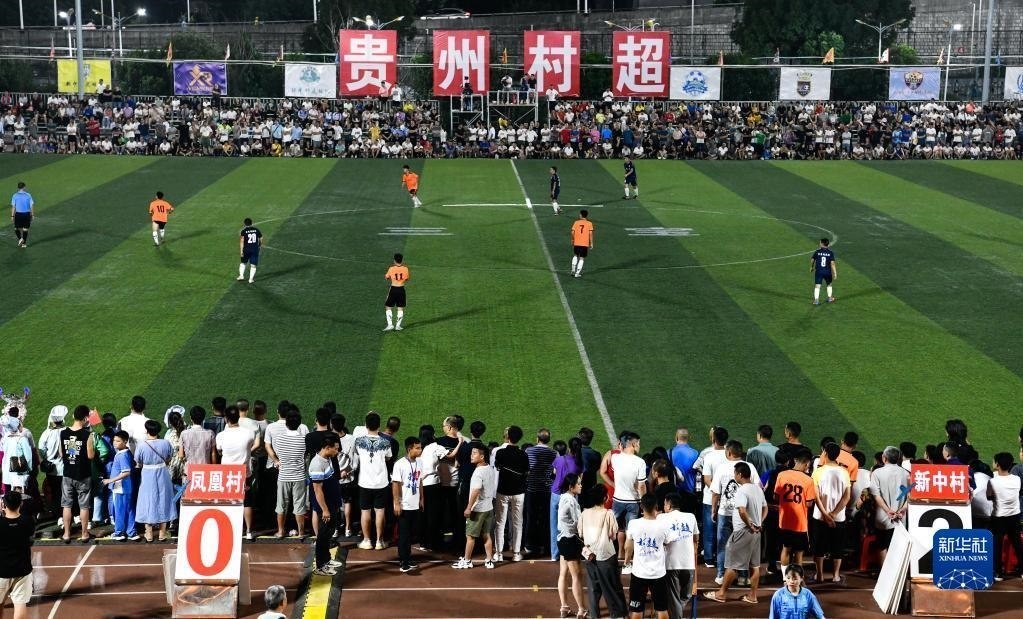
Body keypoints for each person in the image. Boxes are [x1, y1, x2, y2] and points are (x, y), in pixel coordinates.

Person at [705, 462, 767, 604]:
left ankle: (721, 594)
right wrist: (759, 523)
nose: (734, 476)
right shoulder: (758, 489)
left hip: (742, 532)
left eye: (735, 474)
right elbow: (765, 508)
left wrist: (749, 524)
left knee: (732, 565)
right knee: (755, 566)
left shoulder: (742, 491)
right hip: (756, 533)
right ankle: (752, 596)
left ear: (739, 474)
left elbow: (742, 510)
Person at [580, 485, 627, 619]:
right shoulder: (608, 513)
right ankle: (617, 614)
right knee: (612, 587)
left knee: (593, 588)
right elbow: (613, 535)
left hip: (590, 555)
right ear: (605, 498)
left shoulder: (584, 513)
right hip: (606, 556)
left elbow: (580, 533)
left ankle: (594, 614)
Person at [626, 494, 672, 619]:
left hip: (638, 574)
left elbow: (628, 547)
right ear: (656, 507)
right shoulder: (663, 525)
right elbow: (668, 541)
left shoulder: (633, 524)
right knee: (662, 610)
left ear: (641, 507)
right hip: (658, 574)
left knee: (637, 611)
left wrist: (626, 561)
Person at [811, 443, 851, 584]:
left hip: (819, 516)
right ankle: (836, 576)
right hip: (838, 517)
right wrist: (833, 514)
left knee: (819, 547)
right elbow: (847, 497)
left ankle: (820, 575)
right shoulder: (844, 472)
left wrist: (825, 514)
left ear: (826, 453)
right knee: (837, 547)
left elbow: (816, 497)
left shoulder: (818, 472)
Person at [452, 444, 497, 569]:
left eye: (474, 453)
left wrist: (468, 507)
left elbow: (476, 490)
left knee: (470, 536)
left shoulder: (478, 472)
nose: (471, 456)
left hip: (478, 509)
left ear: (482, 456)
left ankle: (467, 561)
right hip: (489, 507)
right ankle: (489, 560)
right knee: (486, 534)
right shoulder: (489, 468)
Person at [216, 406, 257, 539]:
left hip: (227, 473)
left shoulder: (221, 436)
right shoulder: (249, 433)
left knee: (228, 502)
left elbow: (219, 451)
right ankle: (249, 531)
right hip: (243, 472)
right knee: (247, 502)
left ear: (226, 419)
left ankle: (230, 529)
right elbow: (251, 444)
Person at [354, 412, 392, 550]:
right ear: (379, 425)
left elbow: (357, 454)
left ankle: (367, 540)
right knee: (380, 511)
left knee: (365, 512)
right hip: (381, 482)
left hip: (364, 482)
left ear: (366, 425)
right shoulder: (386, 442)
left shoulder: (358, 441)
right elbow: (388, 457)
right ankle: (379, 542)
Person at [774, 449, 815, 573]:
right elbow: (809, 503)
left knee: (785, 549)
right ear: (807, 464)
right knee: (799, 553)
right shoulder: (808, 480)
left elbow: (776, 497)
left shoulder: (782, 475)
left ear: (795, 460)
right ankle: (797, 578)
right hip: (800, 524)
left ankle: (784, 578)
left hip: (784, 521)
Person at [59, 405, 95, 544]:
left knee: (67, 505)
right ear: (86, 418)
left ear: (73, 416)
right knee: (84, 505)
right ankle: (84, 534)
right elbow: (90, 456)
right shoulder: (87, 434)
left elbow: (61, 453)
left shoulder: (63, 433)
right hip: (83, 474)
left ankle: (66, 534)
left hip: (68, 473)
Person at [135, 420, 175, 542]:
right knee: (164, 499)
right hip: (163, 473)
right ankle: (162, 532)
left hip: (147, 474)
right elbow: (169, 457)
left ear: (147, 430)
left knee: (147, 500)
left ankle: (149, 533)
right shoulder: (165, 443)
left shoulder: (142, 445)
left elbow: (138, 461)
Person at [659, 493, 699, 618]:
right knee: (683, 596)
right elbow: (696, 538)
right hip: (687, 563)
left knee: (679, 598)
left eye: (664, 504)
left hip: (672, 564)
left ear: (669, 505)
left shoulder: (662, 518)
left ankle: (671, 613)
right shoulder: (691, 517)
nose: (664, 507)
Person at [308, 434, 343, 577]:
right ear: (327, 447)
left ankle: (327, 559)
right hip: (325, 505)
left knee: (329, 533)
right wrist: (325, 510)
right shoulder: (317, 464)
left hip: (331, 502)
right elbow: (318, 490)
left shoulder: (327, 458)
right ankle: (321, 566)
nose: (337, 451)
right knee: (323, 535)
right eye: (336, 449)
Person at [868, 446, 909, 563]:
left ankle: (885, 571)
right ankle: (896, 572)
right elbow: (911, 496)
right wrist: (902, 509)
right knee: (897, 547)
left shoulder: (877, 473)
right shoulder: (906, 474)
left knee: (882, 545)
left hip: (883, 517)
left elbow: (876, 496)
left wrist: (888, 511)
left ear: (884, 458)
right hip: (900, 518)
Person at [493, 425, 528, 562]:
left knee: (500, 522)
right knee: (517, 523)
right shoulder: (523, 454)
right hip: (519, 492)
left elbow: (497, 466)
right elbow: (526, 472)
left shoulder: (500, 453)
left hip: (503, 491)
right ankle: (516, 553)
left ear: (508, 437)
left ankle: (499, 553)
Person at [987, 451, 1023, 581]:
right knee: (1017, 543)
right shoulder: (1017, 479)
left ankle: (998, 572)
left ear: (997, 464)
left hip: (999, 517)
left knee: (997, 544)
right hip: (1014, 516)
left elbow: (989, 496)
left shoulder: (992, 481)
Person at [556, 473, 586, 619]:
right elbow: (573, 520)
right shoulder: (571, 501)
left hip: (563, 539)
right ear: (570, 486)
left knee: (563, 573)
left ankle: (564, 607)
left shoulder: (564, 497)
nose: (581, 486)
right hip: (570, 540)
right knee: (577, 576)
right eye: (578, 484)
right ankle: (581, 609)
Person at [0, 491, 34, 619]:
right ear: (21, 504)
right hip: (22, 570)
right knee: (20, 605)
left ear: (3, 504)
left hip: (1, 571)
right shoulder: (27, 521)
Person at [391, 436, 423, 573]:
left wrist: (421, 499)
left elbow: (420, 481)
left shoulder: (420, 462)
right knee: (404, 535)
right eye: (417, 448)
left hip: (415, 504)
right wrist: (397, 503)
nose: (420, 450)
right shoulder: (400, 464)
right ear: (410, 449)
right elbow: (395, 484)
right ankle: (403, 561)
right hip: (404, 505)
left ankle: (408, 558)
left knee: (410, 534)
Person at [103, 431, 137, 541]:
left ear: (125, 441)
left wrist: (109, 480)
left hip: (120, 487)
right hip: (127, 486)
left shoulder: (122, 455)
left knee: (119, 510)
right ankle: (131, 532)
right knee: (129, 509)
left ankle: (119, 532)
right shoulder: (127, 452)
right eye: (114, 440)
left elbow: (126, 472)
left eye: (118, 441)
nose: (114, 443)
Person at [383, 253, 410, 332]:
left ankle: (390, 325)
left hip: (393, 289)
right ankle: (398, 326)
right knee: (400, 307)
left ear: (394, 260)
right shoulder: (405, 269)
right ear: (402, 260)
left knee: (388, 306)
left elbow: (386, 277)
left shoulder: (391, 269)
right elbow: (407, 278)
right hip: (401, 289)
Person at [810, 238, 837, 305]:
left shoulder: (817, 252)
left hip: (819, 271)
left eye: (820, 242)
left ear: (822, 244)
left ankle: (816, 300)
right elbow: (832, 263)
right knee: (829, 284)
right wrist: (835, 273)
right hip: (827, 272)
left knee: (817, 285)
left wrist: (811, 267)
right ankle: (830, 298)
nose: (819, 243)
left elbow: (812, 260)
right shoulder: (830, 253)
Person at [238, 218, 264, 283]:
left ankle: (241, 276)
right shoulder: (256, 230)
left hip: (246, 250)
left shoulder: (243, 231)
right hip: (255, 250)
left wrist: (241, 251)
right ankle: (251, 279)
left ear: (244, 224)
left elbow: (242, 241)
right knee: (253, 265)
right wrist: (259, 246)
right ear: (251, 223)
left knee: (243, 263)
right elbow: (261, 238)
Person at [570, 210, 594, 278]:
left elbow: (572, 232)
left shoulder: (576, 222)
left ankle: (573, 270)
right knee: (581, 258)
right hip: (584, 243)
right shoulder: (589, 223)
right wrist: (591, 243)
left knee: (575, 255)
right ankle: (577, 273)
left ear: (581, 215)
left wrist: (572, 240)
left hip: (577, 242)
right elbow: (590, 234)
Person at [10, 181, 34, 248]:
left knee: (16, 228)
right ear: (24, 187)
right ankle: (24, 244)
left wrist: (12, 216)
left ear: (18, 187)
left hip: (18, 214)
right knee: (25, 229)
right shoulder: (28, 195)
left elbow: (13, 206)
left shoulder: (15, 195)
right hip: (27, 214)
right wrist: (32, 215)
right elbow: (31, 205)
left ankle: (20, 239)